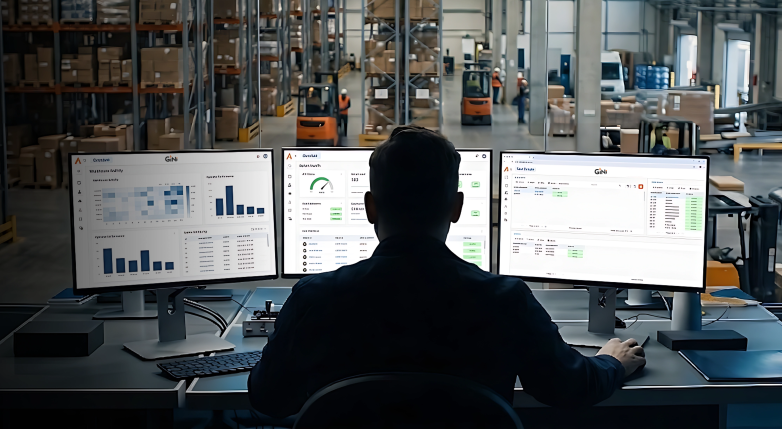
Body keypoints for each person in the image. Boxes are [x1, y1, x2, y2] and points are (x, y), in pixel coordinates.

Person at [248, 127, 645, 419]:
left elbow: (269, 400)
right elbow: (568, 387)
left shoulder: (315, 299)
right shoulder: (504, 300)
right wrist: (612, 362)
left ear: (369, 207)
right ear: (456, 208)